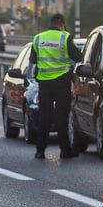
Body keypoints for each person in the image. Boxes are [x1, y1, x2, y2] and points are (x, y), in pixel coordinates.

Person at [30, 13, 83, 160]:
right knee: (62, 118)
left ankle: (40, 151)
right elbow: (78, 57)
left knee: (44, 118)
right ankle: (65, 150)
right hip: (62, 83)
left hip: (44, 83)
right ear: (63, 25)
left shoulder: (38, 38)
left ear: (51, 23)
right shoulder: (65, 38)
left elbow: (33, 59)